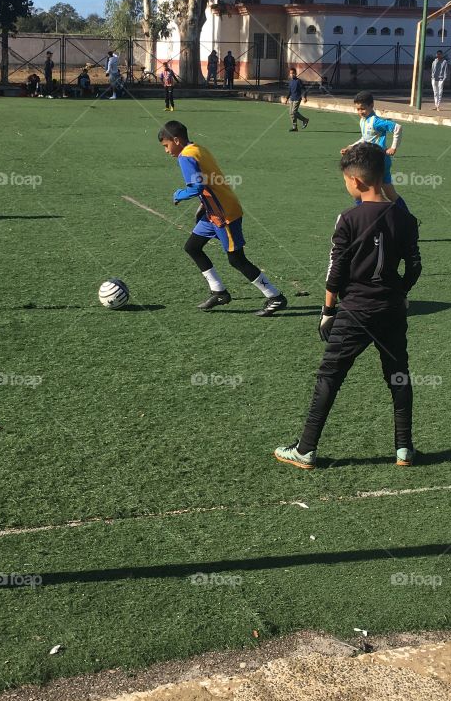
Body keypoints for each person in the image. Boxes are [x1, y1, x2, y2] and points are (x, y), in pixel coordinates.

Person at [274, 141, 421, 470]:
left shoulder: (349, 218)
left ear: (356, 181)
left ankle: (306, 449)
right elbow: (414, 267)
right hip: (392, 310)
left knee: (330, 376)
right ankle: (404, 449)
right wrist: (400, 292)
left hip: (355, 310)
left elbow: (336, 269)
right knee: (398, 375)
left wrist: (327, 310)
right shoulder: (405, 218)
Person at [158, 119, 287, 315]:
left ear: (176, 140)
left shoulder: (185, 156)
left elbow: (196, 186)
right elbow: (210, 178)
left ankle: (275, 297)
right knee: (192, 247)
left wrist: (178, 195)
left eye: (166, 146)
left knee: (236, 259)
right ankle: (219, 292)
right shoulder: (198, 148)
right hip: (212, 212)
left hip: (223, 214)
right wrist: (204, 203)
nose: (166, 151)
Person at [344, 91, 403, 204]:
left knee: (362, 191)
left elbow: (398, 128)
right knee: (389, 194)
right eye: (358, 109)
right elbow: (366, 138)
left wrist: (393, 147)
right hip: (373, 159)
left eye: (363, 108)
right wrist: (351, 146)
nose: (360, 112)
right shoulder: (363, 120)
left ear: (371, 106)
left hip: (378, 159)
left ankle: (362, 216)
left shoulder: (376, 122)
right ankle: (405, 217)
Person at [284, 67, 310, 131]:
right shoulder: (291, 82)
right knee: (291, 113)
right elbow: (290, 91)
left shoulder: (298, 81)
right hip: (292, 99)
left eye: (293, 73)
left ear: (296, 73)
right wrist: (287, 98)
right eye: (290, 73)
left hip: (297, 98)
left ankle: (305, 120)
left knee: (294, 111)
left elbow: (304, 89)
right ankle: (294, 127)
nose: (292, 74)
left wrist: (305, 97)